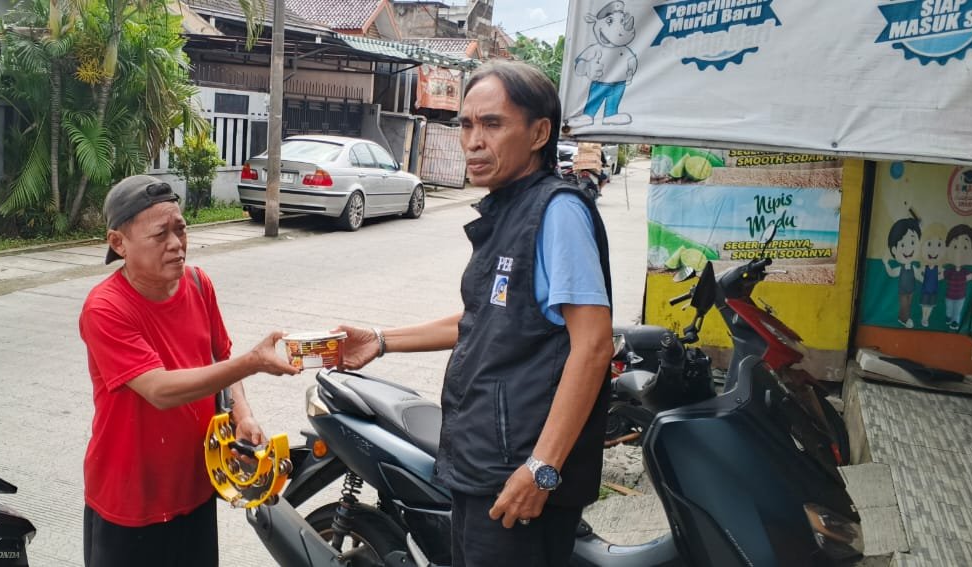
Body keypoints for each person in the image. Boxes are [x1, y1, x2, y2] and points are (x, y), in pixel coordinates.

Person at [335, 60, 614, 566]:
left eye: (492, 124)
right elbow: (484, 320)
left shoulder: (558, 211)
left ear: (539, 133)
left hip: (519, 474)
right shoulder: (510, 208)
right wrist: (380, 339)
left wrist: (542, 467)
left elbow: (593, 346)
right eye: (466, 125)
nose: (473, 141)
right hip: (481, 466)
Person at [78, 175, 298, 567]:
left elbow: (220, 358)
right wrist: (253, 362)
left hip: (196, 488)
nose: (177, 244)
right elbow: (159, 390)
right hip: (129, 501)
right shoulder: (105, 308)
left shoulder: (198, 283)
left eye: (180, 229)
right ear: (118, 243)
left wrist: (243, 414)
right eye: (160, 234)